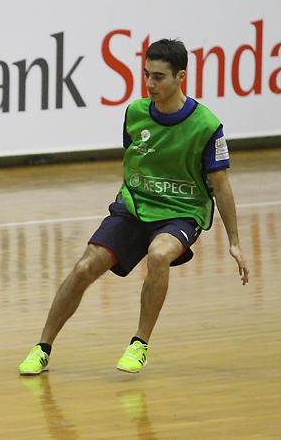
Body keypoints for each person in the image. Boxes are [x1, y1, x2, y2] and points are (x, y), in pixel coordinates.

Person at [18, 38, 249, 376]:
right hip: (135, 207)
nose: (150, 84)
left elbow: (222, 186)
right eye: (146, 75)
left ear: (181, 76)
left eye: (159, 77)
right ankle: (42, 348)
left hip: (182, 211)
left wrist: (235, 241)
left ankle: (139, 344)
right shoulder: (135, 113)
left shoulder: (207, 126)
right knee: (84, 268)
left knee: (158, 255)